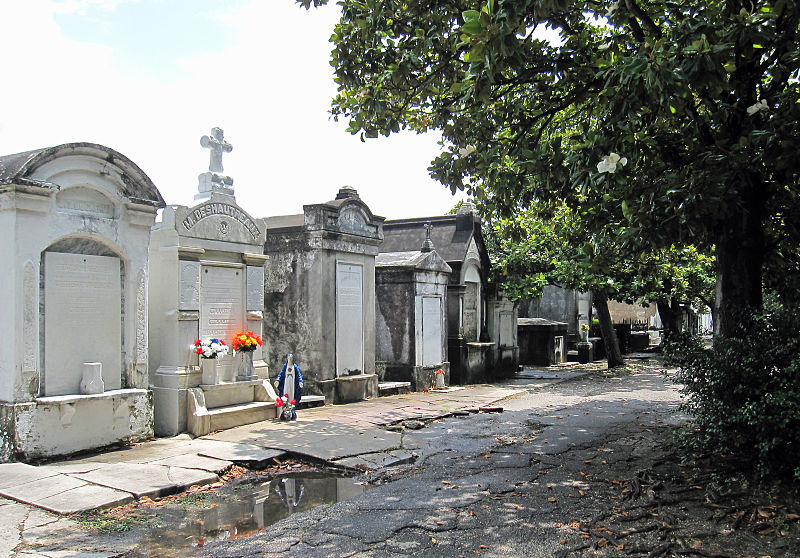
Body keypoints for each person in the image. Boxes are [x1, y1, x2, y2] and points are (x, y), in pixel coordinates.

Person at [274, 353, 303, 420]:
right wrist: (278, 380)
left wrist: (300, 381)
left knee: (292, 395)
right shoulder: (285, 366)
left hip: (292, 384)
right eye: (288, 358)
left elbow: (299, 375)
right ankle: (284, 410)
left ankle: (291, 410)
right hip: (286, 383)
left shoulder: (295, 367)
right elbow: (281, 374)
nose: (289, 360)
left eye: (291, 359)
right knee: (285, 395)